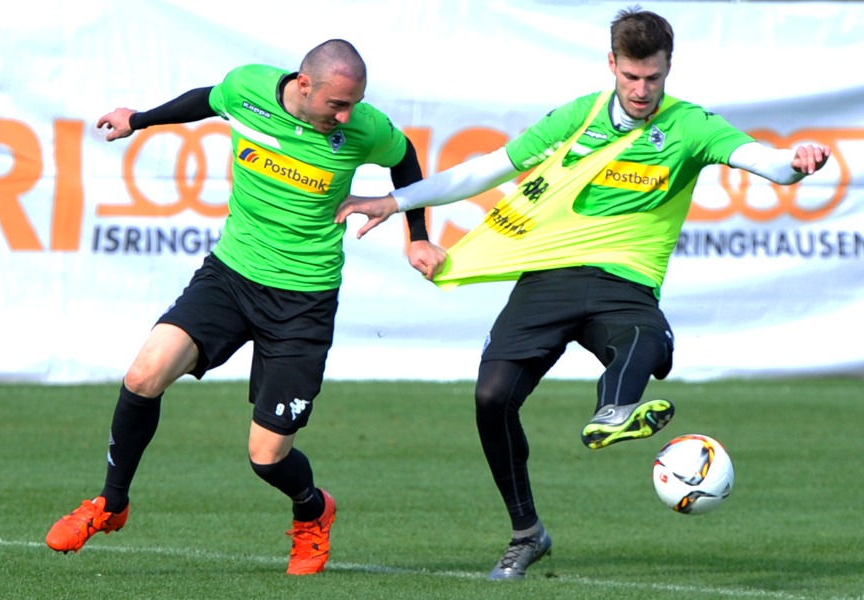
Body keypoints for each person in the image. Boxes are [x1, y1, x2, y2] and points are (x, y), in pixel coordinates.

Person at [335, 7, 830, 580]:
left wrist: (794, 163)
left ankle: (614, 408)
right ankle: (527, 533)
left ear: (669, 69)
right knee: (491, 398)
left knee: (649, 340)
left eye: (654, 78)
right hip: (548, 276)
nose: (642, 90)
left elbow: (760, 159)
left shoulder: (690, 125)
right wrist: (393, 202)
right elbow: (488, 169)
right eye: (631, 77)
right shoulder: (580, 115)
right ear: (612, 64)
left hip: (624, 281)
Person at [45, 39, 445, 576]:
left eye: (354, 103)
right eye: (337, 104)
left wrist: (416, 235)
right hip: (230, 276)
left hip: (304, 299)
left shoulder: (363, 127)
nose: (346, 115)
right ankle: (111, 504)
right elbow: (205, 100)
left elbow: (406, 162)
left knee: (266, 457)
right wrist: (137, 119)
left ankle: (313, 510)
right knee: (143, 375)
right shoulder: (248, 88)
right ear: (304, 85)